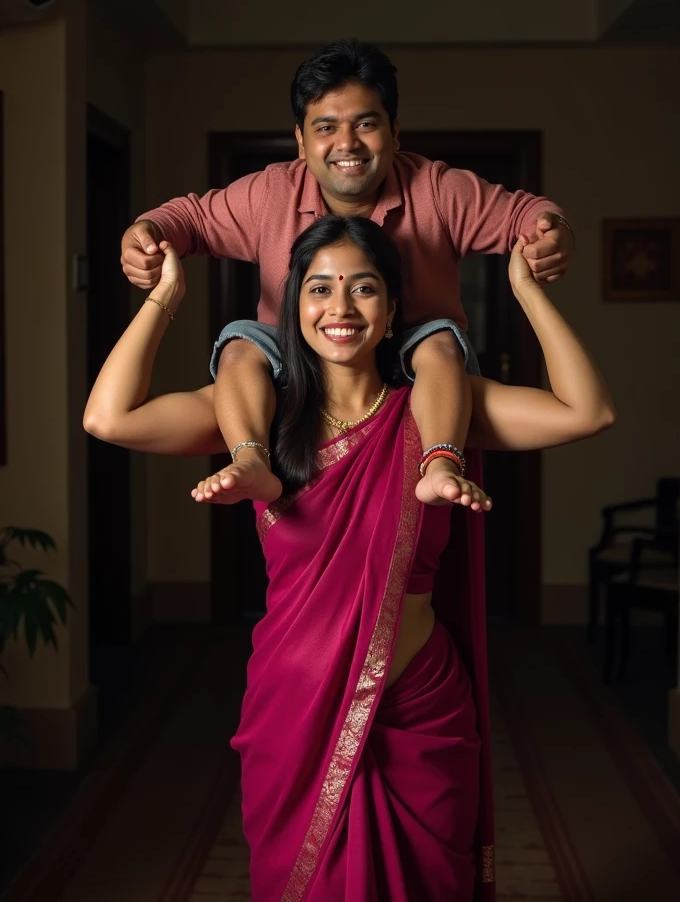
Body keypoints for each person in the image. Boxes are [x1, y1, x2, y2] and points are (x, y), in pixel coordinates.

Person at [86, 218, 613, 901]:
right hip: (294, 713)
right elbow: (108, 418)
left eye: (363, 289)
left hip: (419, 714)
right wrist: (163, 298)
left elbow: (587, 410)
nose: (340, 307)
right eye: (320, 288)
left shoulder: (434, 413)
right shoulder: (259, 418)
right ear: (295, 306)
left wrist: (527, 291)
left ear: (393, 310)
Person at [119, 40, 575, 510]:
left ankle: (440, 462)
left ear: (395, 132)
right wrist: (145, 234)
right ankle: (250, 457)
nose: (347, 144)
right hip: (300, 368)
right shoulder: (269, 193)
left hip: (416, 371)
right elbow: (187, 219)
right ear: (300, 139)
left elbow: (530, 213)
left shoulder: (439, 190)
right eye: (326, 127)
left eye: (366, 124)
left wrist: (551, 234)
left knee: (439, 341)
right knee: (239, 341)